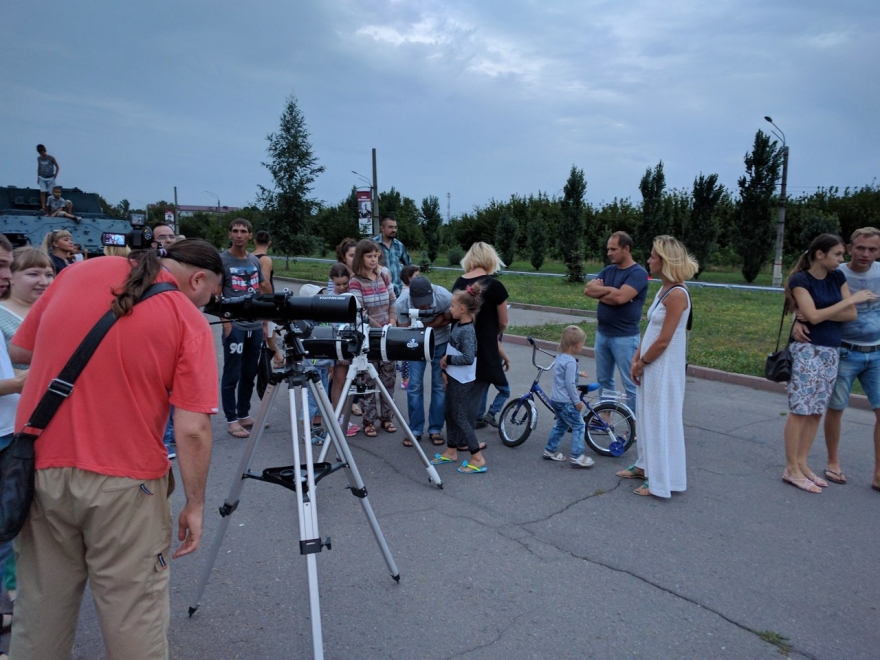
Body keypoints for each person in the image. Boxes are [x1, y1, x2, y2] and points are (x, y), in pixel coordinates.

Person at [8, 239, 223, 660]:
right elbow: (193, 428)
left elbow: (20, 349)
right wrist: (194, 504)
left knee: (40, 611)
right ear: (197, 279)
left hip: (42, 468)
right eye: (210, 296)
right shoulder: (185, 318)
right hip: (127, 482)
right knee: (132, 614)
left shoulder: (77, 272)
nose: (206, 306)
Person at [777, 234, 875, 494]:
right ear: (820, 254)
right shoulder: (801, 280)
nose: (841, 260)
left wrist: (827, 312)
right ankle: (791, 468)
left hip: (831, 350)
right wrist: (847, 301)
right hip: (807, 349)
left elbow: (848, 315)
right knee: (800, 409)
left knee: (816, 410)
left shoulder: (837, 278)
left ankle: (802, 463)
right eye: (837, 255)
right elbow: (812, 315)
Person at [620, 236, 697, 498]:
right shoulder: (663, 289)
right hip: (650, 364)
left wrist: (643, 363)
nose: (649, 260)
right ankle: (644, 466)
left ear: (665, 261)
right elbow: (651, 329)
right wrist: (636, 357)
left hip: (663, 369)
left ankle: (661, 479)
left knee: (660, 420)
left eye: (653, 256)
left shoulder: (677, 294)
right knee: (646, 416)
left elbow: (665, 339)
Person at [804, 227, 880, 491]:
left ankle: (879, 473)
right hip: (843, 350)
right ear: (850, 247)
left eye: (872, 249)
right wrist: (796, 324)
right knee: (836, 408)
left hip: (876, 352)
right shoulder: (836, 272)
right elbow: (806, 303)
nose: (866, 254)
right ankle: (833, 462)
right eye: (861, 248)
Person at [0, 236, 29, 657]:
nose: (4, 276)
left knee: (8, 527)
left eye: (7, 265)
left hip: (7, 431)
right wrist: (30, 379)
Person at [584, 231, 649, 411]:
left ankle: (635, 424)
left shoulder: (638, 273)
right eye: (608, 249)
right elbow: (588, 290)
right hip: (602, 334)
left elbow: (620, 298)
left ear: (626, 249)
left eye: (613, 249)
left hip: (625, 337)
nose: (609, 253)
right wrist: (612, 293)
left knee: (631, 383)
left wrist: (603, 291)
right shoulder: (608, 270)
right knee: (604, 380)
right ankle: (605, 419)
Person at [453, 243, 509, 447]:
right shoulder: (495, 286)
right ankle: (465, 440)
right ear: (491, 259)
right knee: (475, 394)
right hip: (484, 346)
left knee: (461, 392)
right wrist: (495, 334)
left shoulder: (459, 282)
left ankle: (455, 435)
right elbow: (503, 321)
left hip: (459, 342)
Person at [432, 283, 488, 473]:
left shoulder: (467, 331)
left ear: (462, 309)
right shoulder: (459, 325)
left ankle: (477, 457)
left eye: (452, 306)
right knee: (449, 413)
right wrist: (445, 370)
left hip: (462, 381)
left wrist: (448, 359)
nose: (450, 309)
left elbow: (468, 357)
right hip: (454, 377)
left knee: (460, 416)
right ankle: (451, 450)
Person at [348, 239, 398, 437]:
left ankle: (387, 418)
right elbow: (360, 312)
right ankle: (368, 421)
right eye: (369, 256)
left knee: (388, 378)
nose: (373, 259)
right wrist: (379, 328)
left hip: (388, 333)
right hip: (369, 336)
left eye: (376, 255)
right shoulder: (355, 281)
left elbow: (392, 300)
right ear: (361, 257)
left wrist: (392, 320)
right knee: (368, 380)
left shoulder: (384, 274)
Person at [396, 275, 452, 447]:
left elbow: (449, 317)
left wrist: (428, 326)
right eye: (420, 304)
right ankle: (415, 430)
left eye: (427, 303)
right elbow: (403, 328)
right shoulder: (402, 303)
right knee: (414, 385)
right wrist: (420, 331)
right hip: (415, 343)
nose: (424, 307)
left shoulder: (444, 296)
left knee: (439, 385)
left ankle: (435, 429)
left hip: (440, 341)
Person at [220, 219, 264, 438]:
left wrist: (265, 323)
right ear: (230, 234)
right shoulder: (222, 260)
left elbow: (261, 292)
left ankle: (243, 413)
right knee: (232, 373)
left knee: (249, 372)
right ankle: (231, 419)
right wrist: (227, 325)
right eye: (235, 231)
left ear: (250, 236)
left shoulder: (254, 261)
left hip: (254, 325)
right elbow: (217, 295)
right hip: (235, 325)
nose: (239, 235)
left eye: (243, 231)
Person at [542, 325, 596, 468]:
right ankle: (577, 456)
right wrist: (577, 402)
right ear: (578, 345)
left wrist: (579, 373)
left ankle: (550, 450)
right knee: (579, 424)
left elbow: (562, 373)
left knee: (561, 425)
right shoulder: (571, 362)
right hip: (566, 401)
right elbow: (569, 384)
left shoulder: (560, 357)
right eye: (582, 344)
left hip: (556, 400)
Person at [371, 216, 411, 297]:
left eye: (395, 227)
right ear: (382, 228)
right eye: (390, 227)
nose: (394, 230)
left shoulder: (399, 245)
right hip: (379, 291)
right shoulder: (372, 244)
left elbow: (409, 265)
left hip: (398, 292)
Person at [35, 144, 59, 212]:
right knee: (43, 192)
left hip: (50, 178)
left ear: (45, 151)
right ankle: (43, 207)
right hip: (42, 178)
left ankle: (50, 207)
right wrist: (38, 177)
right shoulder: (39, 158)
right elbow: (39, 168)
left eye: (42, 152)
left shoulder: (51, 158)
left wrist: (55, 176)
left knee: (50, 193)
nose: (42, 154)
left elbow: (57, 167)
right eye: (40, 153)